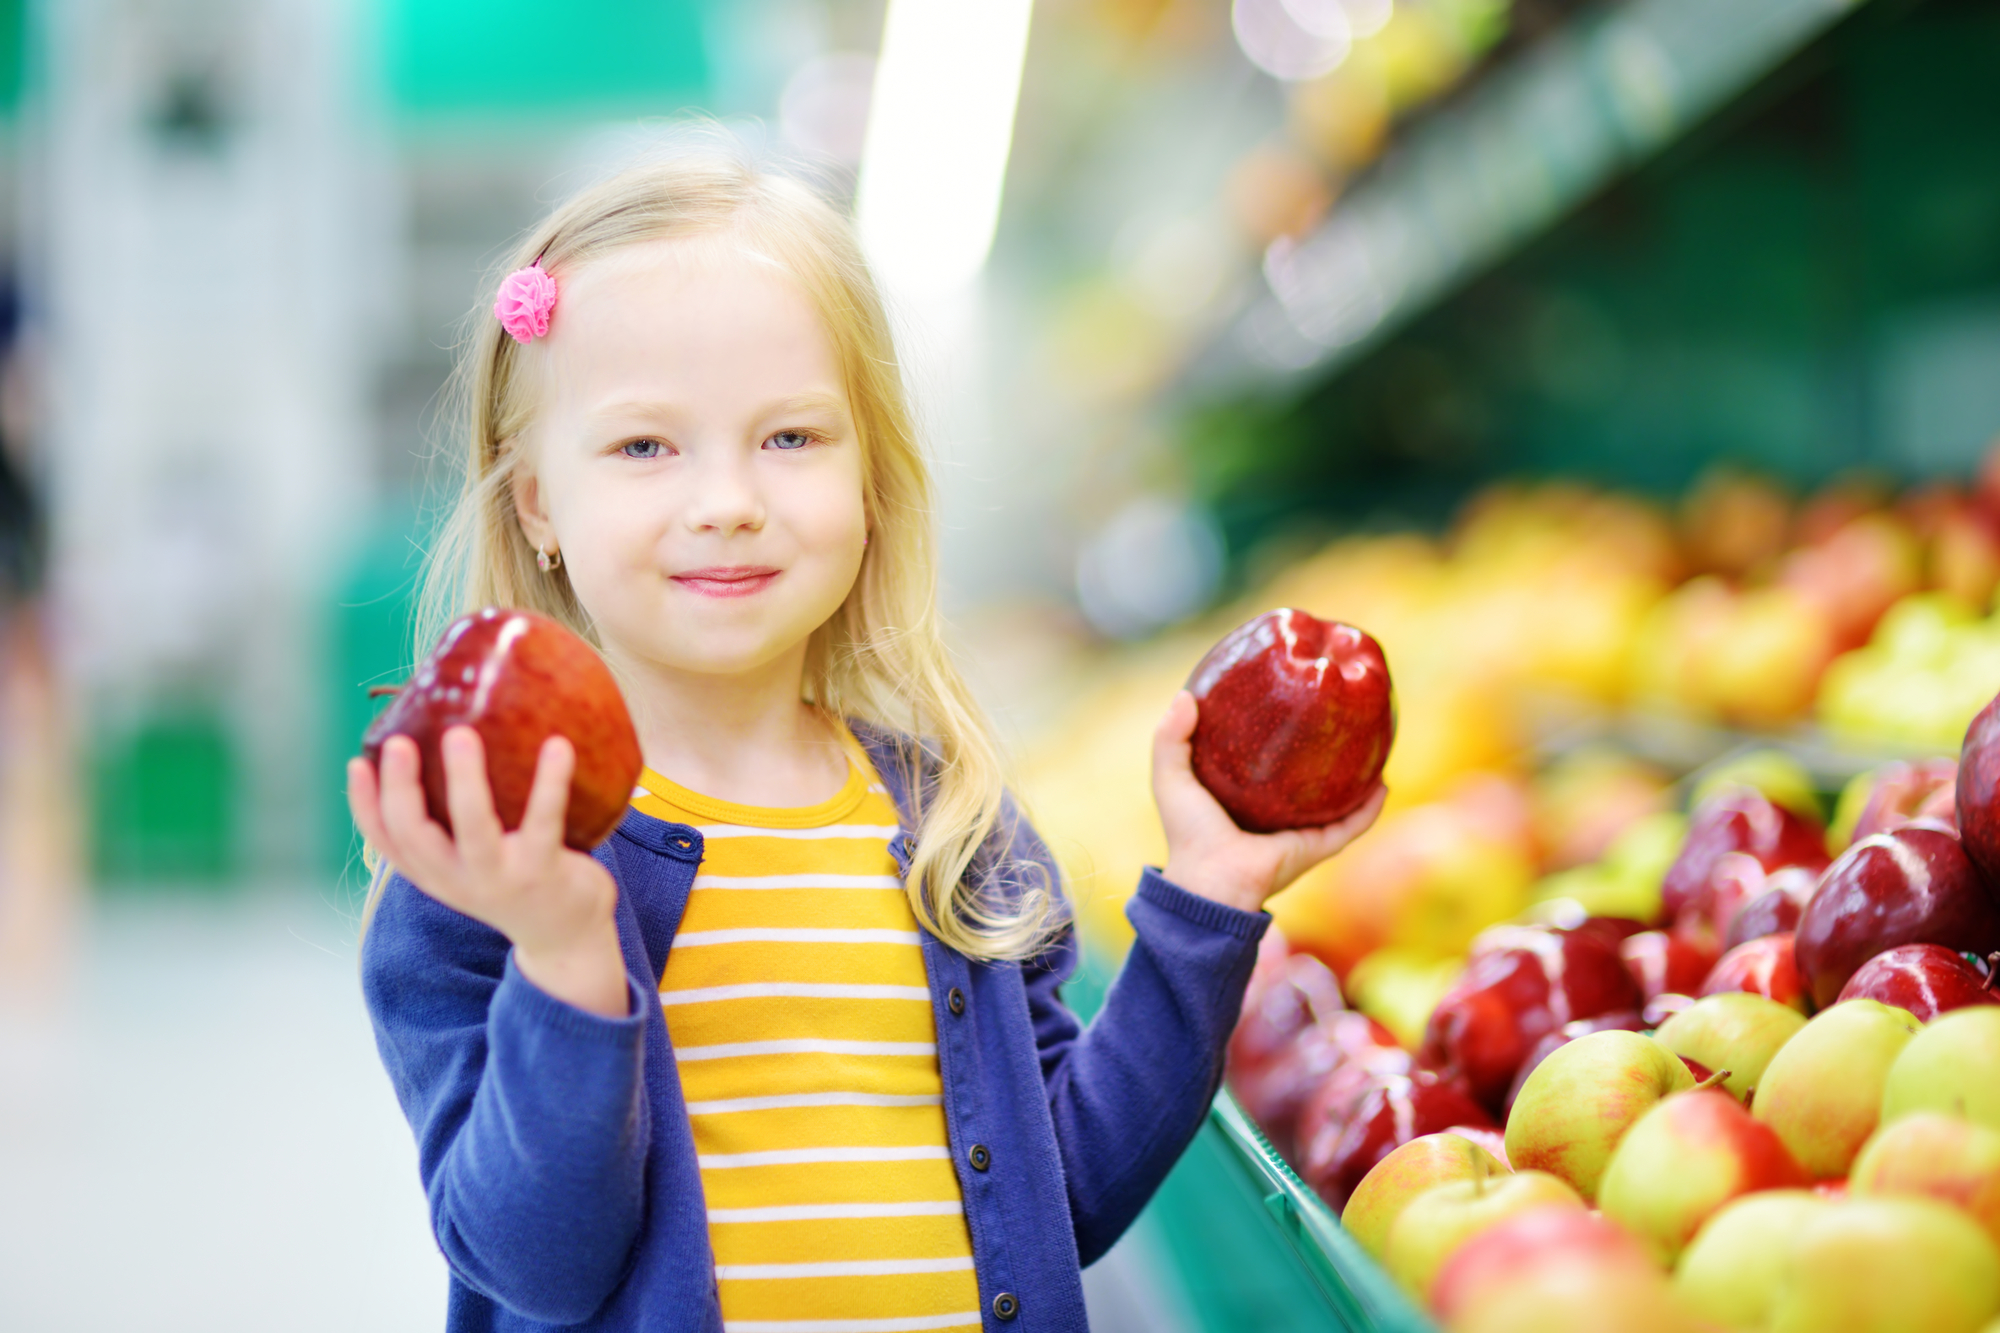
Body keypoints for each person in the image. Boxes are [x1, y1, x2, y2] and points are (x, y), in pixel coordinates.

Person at [349, 153, 1384, 1333]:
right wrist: (560, 952)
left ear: (873, 481)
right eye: (644, 447)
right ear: (536, 501)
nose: (727, 498)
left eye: (790, 438)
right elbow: (537, 1265)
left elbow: (1063, 1194)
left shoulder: (949, 823)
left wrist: (1204, 903)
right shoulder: (484, 863)